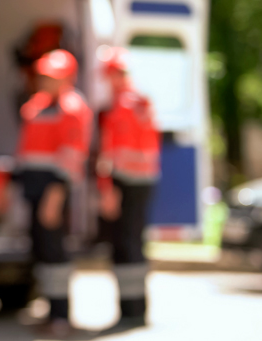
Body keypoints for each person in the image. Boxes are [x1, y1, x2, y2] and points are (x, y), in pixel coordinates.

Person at [16, 49, 92, 337]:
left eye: (52, 77)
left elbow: (72, 156)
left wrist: (56, 196)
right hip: (34, 189)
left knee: (54, 251)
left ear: (69, 78)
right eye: (44, 76)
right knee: (41, 251)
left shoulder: (72, 107)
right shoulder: (37, 105)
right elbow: (26, 150)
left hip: (53, 191)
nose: (46, 81)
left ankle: (61, 315)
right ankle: (49, 310)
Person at [95, 46, 160, 334]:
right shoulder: (142, 101)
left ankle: (130, 310)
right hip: (143, 182)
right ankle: (135, 309)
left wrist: (106, 188)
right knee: (133, 245)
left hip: (124, 183)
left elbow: (109, 154)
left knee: (125, 246)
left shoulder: (120, 106)